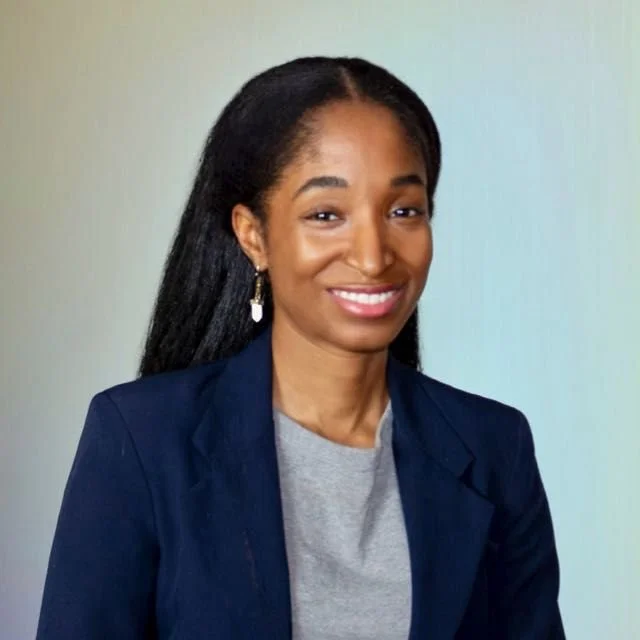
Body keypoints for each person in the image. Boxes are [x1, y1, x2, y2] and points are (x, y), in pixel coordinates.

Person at [36, 56, 565, 639]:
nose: (372, 255)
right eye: (325, 214)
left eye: (403, 211)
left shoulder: (494, 448)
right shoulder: (141, 440)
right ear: (253, 234)